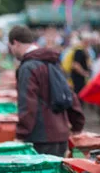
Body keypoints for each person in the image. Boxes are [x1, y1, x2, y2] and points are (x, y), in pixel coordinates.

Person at [8, 25, 85, 156]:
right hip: (60, 136)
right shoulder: (52, 62)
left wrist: (21, 134)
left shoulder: (28, 67)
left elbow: (27, 103)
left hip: (40, 138)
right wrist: (77, 124)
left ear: (15, 43)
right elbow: (69, 94)